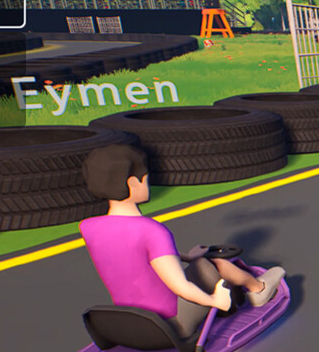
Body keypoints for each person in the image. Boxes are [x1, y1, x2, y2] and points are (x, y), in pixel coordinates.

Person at [77, 144, 286, 339]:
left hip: (131, 319)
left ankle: (246, 289)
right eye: (145, 179)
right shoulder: (152, 230)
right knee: (211, 265)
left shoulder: (88, 227)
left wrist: (186, 257)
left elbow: (131, 257)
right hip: (171, 324)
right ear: (132, 183)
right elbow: (181, 287)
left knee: (199, 262)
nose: (148, 183)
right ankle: (258, 289)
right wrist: (215, 301)